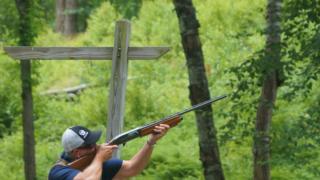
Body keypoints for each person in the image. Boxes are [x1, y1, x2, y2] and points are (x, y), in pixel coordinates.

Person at [48, 124, 170, 180]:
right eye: (90, 145)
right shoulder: (58, 173)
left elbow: (133, 168)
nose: (96, 146)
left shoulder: (95, 165)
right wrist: (99, 158)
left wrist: (151, 142)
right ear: (77, 153)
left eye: (94, 142)